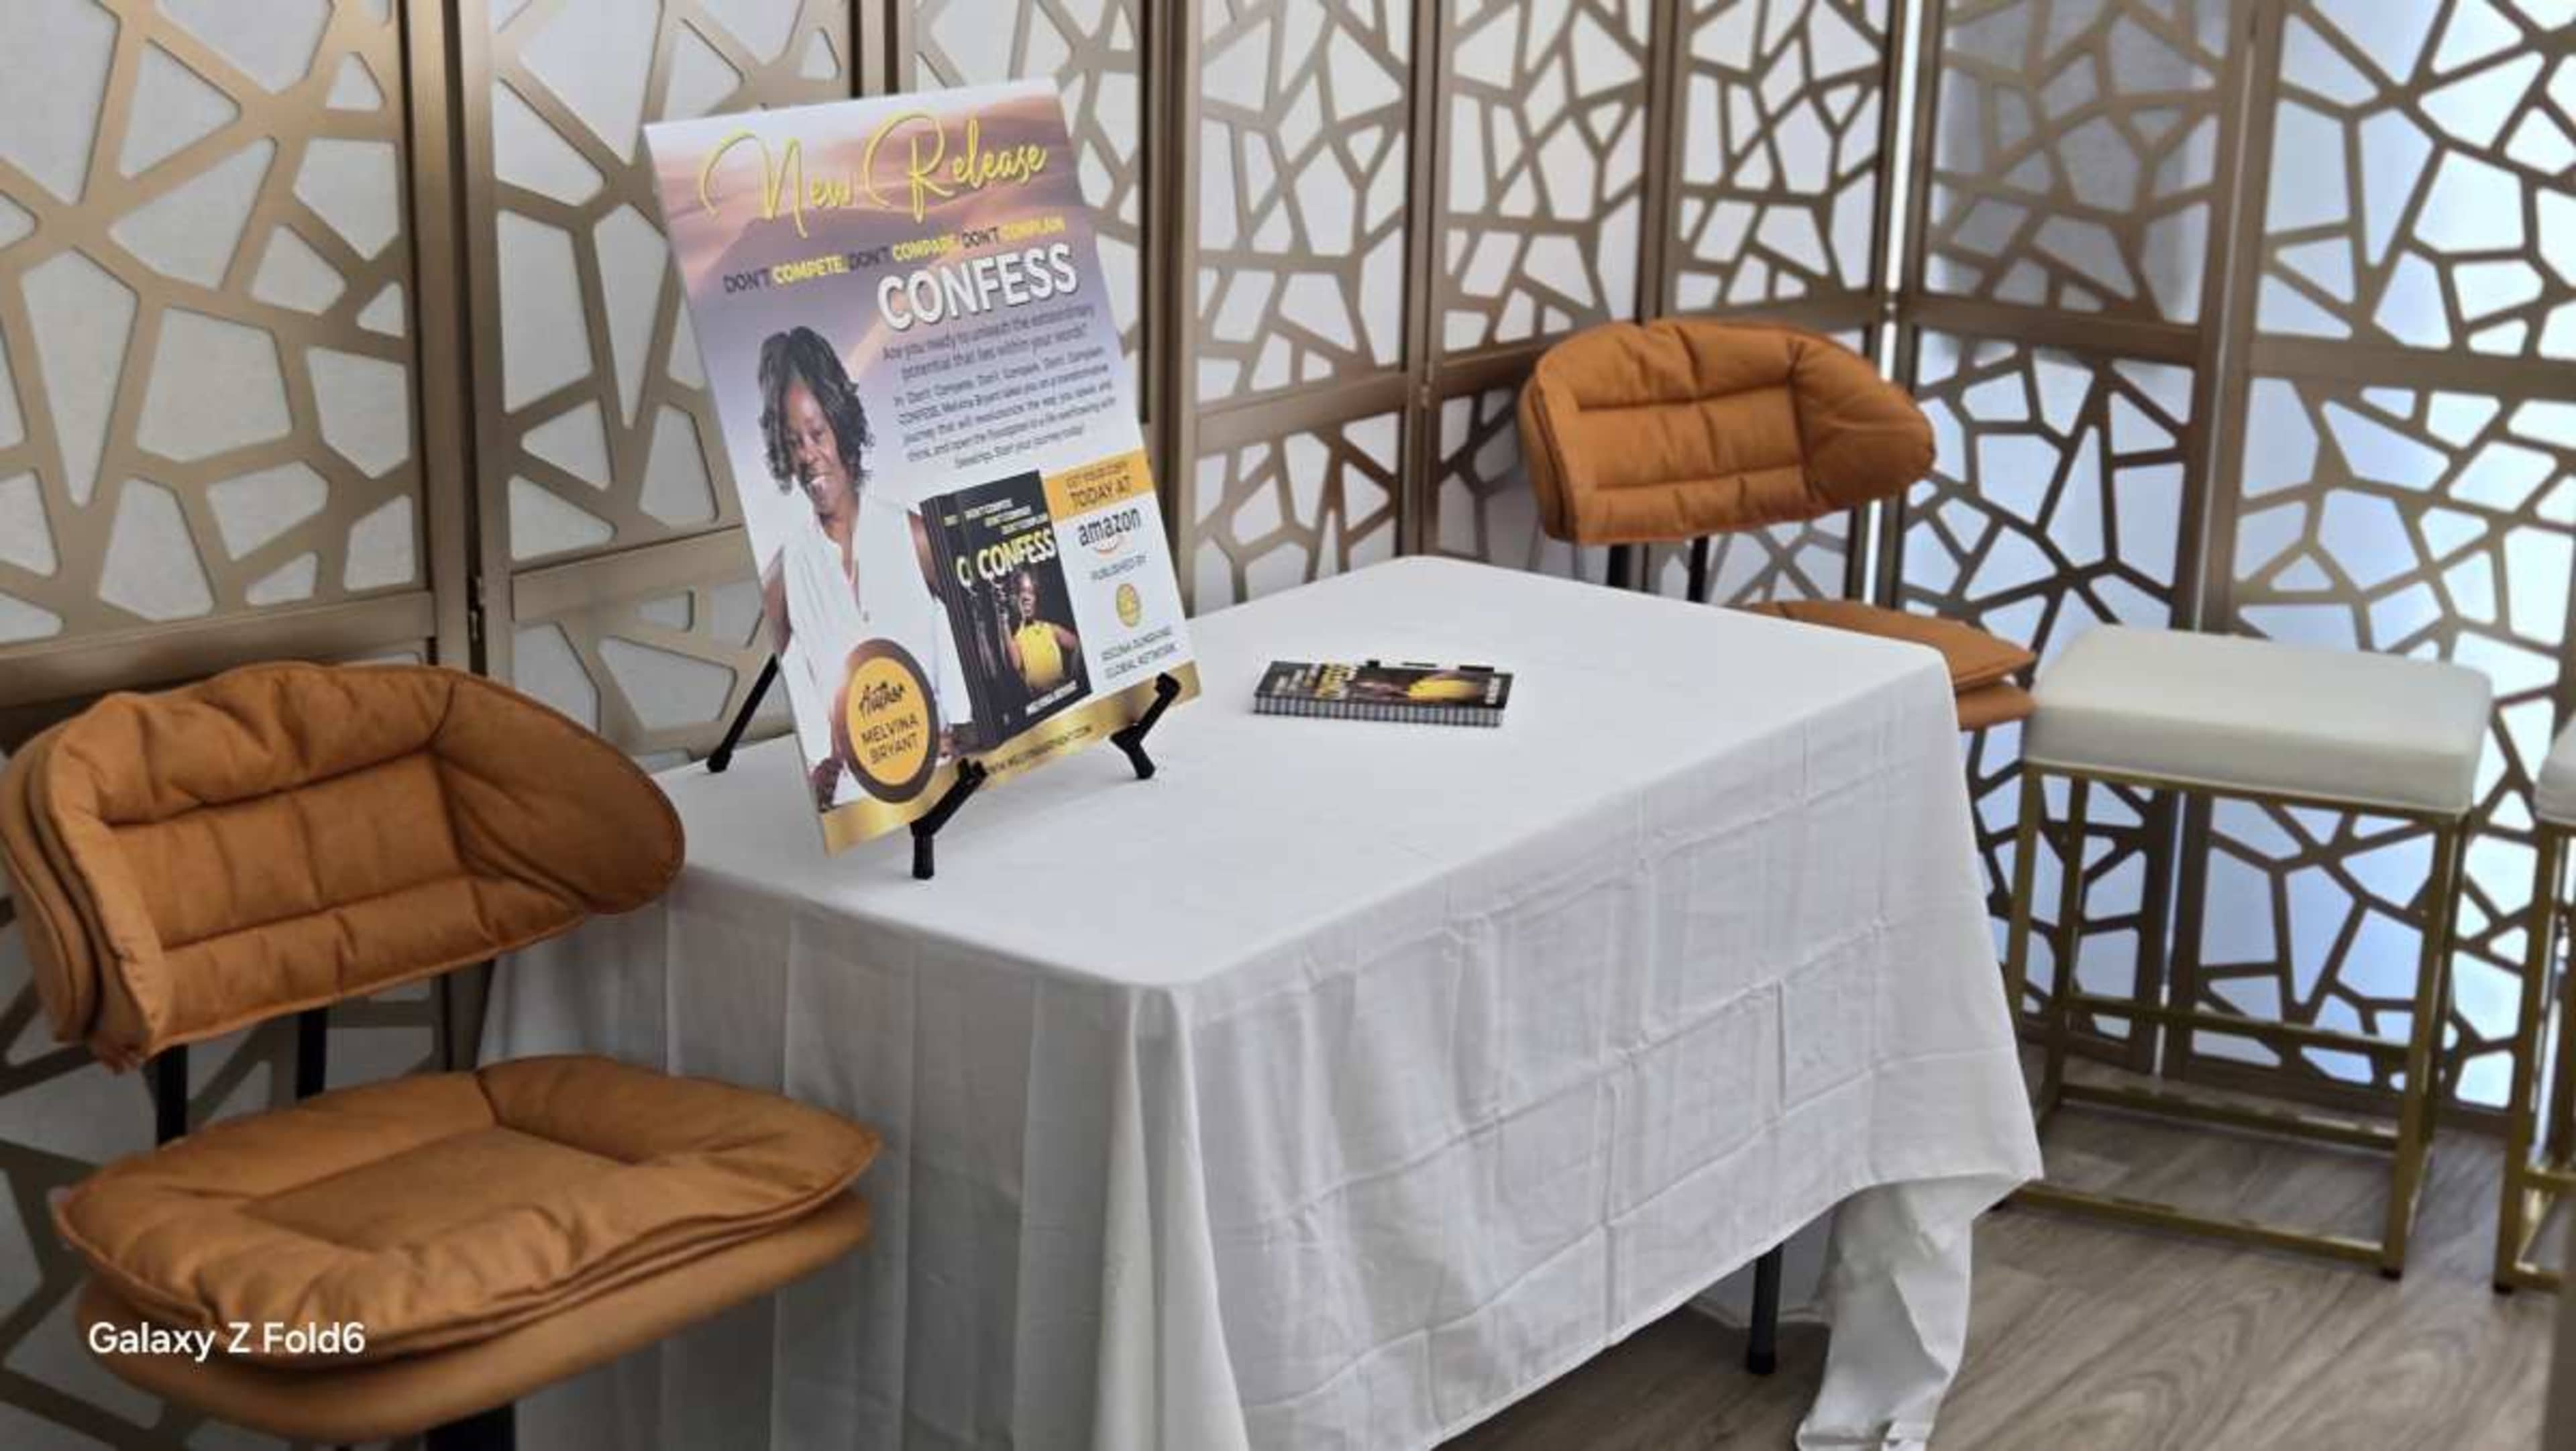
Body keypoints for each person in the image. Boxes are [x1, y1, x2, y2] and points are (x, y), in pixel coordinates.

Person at [753, 327, 971, 809]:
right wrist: (816, 775)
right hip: (855, 813)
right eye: (793, 442)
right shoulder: (787, 571)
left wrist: (972, 731)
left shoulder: (913, 535)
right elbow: (756, 671)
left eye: (817, 434)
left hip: (942, 793)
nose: (808, 455)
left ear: (842, 428)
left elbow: (997, 637)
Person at [997, 564, 1084, 698]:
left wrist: (1073, 677)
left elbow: (1078, 643)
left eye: (1030, 592)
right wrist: (1004, 621)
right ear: (1014, 600)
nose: (1026, 598)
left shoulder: (1050, 629)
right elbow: (1014, 664)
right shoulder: (1016, 640)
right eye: (1021, 592)